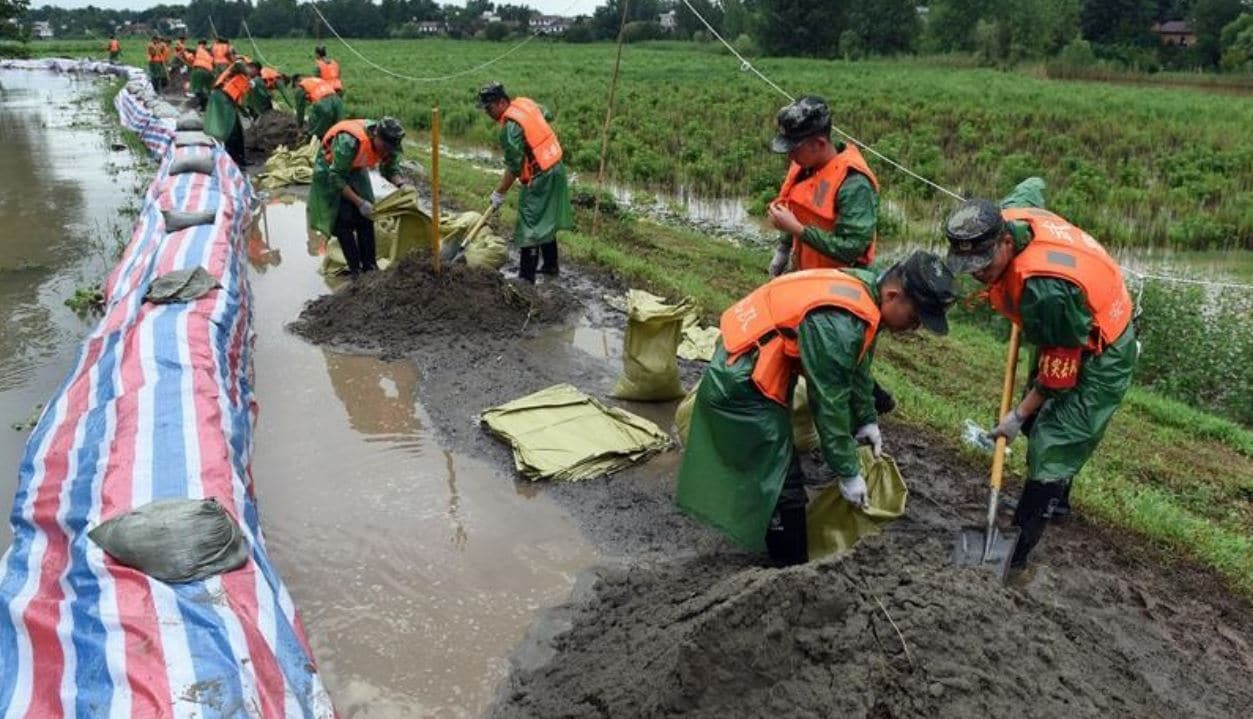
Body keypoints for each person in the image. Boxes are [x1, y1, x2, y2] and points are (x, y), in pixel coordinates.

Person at [675, 252, 958, 566]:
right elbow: (828, 402)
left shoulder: (866, 291)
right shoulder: (840, 325)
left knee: (780, 463)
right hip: (741, 384)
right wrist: (848, 472)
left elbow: (858, 366)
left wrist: (866, 419)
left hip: (751, 364)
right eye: (916, 318)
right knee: (781, 480)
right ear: (893, 295)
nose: (915, 328)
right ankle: (790, 566)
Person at [943, 177, 1138, 574]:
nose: (978, 274)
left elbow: (1058, 374)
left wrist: (1017, 416)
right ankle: (1058, 500)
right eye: (970, 267)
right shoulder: (1005, 217)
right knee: (1037, 420)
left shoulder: (1046, 290)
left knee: (1053, 440)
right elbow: (1031, 186)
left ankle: (1018, 554)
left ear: (1005, 243)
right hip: (1066, 325)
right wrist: (1026, 414)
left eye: (984, 265)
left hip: (1102, 348)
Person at [765, 94, 897, 415]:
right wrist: (783, 248)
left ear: (819, 143)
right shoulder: (804, 166)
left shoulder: (854, 184)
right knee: (804, 344)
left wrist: (798, 231)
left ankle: (865, 412)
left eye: (795, 148)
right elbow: (794, 206)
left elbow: (852, 247)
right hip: (809, 276)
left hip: (845, 286)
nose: (790, 155)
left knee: (841, 354)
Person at [477, 82, 574, 283]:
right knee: (546, 218)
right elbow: (546, 113)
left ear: (502, 102)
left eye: (489, 108)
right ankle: (550, 265)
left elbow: (514, 166)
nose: (487, 113)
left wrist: (499, 193)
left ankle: (526, 278)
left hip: (541, 176)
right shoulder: (525, 104)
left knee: (530, 222)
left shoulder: (510, 128)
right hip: (555, 166)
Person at [307, 118, 408, 277]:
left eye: (390, 149)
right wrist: (359, 202)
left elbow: (390, 168)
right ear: (376, 135)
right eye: (384, 147)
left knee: (367, 217)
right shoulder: (349, 141)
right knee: (341, 220)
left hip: (356, 167)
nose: (386, 152)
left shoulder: (388, 146)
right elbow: (336, 177)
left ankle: (370, 267)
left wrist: (402, 185)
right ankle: (356, 270)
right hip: (330, 169)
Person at [204, 60, 256, 167]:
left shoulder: (232, 75)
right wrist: (247, 115)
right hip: (224, 102)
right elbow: (240, 103)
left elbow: (237, 102)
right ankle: (235, 159)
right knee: (232, 131)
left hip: (219, 99)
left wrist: (245, 113)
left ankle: (235, 158)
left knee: (233, 129)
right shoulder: (242, 80)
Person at [291, 73, 345, 140]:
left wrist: (299, 128)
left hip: (323, 104)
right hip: (337, 101)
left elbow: (300, 110)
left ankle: (313, 139)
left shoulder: (301, 87)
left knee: (316, 127)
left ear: (296, 82)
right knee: (338, 128)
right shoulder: (316, 80)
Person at [190, 39, 215, 109]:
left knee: (197, 89)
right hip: (209, 72)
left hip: (198, 71)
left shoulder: (199, 49)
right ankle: (205, 106)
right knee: (207, 90)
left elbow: (190, 56)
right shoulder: (210, 54)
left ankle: (198, 105)